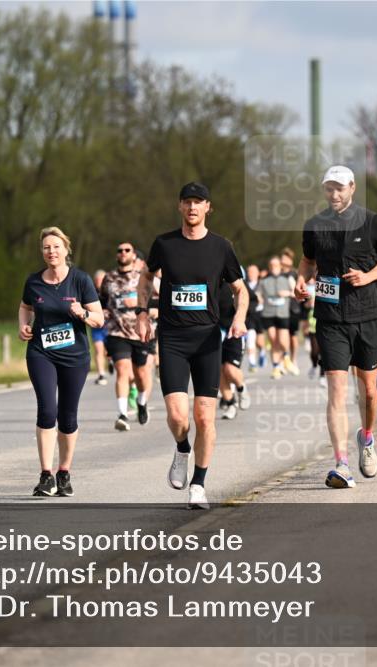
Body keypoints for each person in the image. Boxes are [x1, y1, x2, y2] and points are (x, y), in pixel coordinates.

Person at [136, 182, 248, 510]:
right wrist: (142, 313)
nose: (192, 207)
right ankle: (182, 447)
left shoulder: (221, 247)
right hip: (172, 338)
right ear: (179, 206)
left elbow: (241, 290)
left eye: (198, 202)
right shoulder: (164, 244)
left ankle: (198, 485)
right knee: (177, 416)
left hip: (207, 339)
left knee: (204, 417)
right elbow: (146, 277)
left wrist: (239, 318)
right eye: (187, 202)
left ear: (208, 207)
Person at [295, 165, 377, 488]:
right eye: (329, 188)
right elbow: (308, 261)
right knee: (336, 390)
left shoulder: (372, 222)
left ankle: (367, 437)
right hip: (330, 318)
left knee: (369, 391)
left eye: (339, 188)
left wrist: (367, 277)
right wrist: (301, 281)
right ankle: (341, 464)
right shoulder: (315, 225)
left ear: (352, 187)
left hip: (368, 315)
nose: (334, 194)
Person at [19, 227, 104, 497]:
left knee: (68, 417)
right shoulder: (34, 282)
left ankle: (64, 473)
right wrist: (23, 326)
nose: (51, 251)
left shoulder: (81, 280)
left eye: (56, 246)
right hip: (41, 352)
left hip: (74, 356)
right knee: (47, 411)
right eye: (46, 247)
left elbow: (99, 319)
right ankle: (46, 475)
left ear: (66, 250)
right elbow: (25, 306)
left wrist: (83, 314)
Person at [101, 241, 156, 432]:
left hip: (140, 332)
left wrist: (151, 311)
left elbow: (160, 299)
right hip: (116, 331)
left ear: (133, 255)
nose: (123, 253)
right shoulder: (109, 278)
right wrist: (103, 312)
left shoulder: (144, 276)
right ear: (117, 255)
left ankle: (141, 402)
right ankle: (122, 414)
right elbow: (102, 301)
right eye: (120, 250)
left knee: (141, 374)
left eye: (127, 250)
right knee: (122, 370)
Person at [217, 275, 253, 419]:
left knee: (229, 369)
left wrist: (243, 317)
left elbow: (252, 300)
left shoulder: (234, 280)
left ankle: (241, 388)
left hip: (234, 330)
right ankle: (230, 403)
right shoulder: (206, 280)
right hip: (213, 331)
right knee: (217, 370)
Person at [257, 256, 295, 379]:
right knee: (273, 340)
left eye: (276, 265)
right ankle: (276, 367)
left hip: (283, 314)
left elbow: (296, 293)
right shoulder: (264, 280)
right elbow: (258, 293)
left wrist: (287, 293)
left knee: (283, 341)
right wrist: (259, 298)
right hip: (268, 313)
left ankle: (286, 357)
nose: (274, 267)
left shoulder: (288, 278)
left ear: (280, 266)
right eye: (272, 265)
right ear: (269, 267)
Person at [91, 269, 110, 385]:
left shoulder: (110, 291)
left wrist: (108, 312)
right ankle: (101, 374)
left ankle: (110, 360)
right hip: (97, 326)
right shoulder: (91, 292)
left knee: (109, 351)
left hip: (110, 325)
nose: (100, 282)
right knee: (99, 349)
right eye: (97, 280)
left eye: (102, 280)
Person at [245, 264, 262, 370]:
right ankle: (252, 362)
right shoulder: (244, 284)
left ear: (258, 273)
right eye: (249, 272)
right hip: (249, 315)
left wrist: (262, 299)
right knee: (250, 338)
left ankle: (262, 351)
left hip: (260, 314)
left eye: (253, 272)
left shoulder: (262, 284)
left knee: (260, 342)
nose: (250, 274)